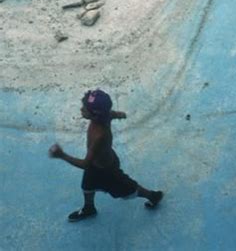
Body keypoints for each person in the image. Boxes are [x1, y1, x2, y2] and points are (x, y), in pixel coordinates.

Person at [49, 89, 163, 222]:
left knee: (128, 188)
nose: (81, 110)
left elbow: (86, 164)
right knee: (87, 186)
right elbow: (111, 114)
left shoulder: (99, 136)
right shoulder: (103, 117)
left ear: (95, 114)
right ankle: (89, 208)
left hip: (106, 171)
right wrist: (120, 115)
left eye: (84, 109)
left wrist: (62, 155)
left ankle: (152, 196)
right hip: (98, 166)